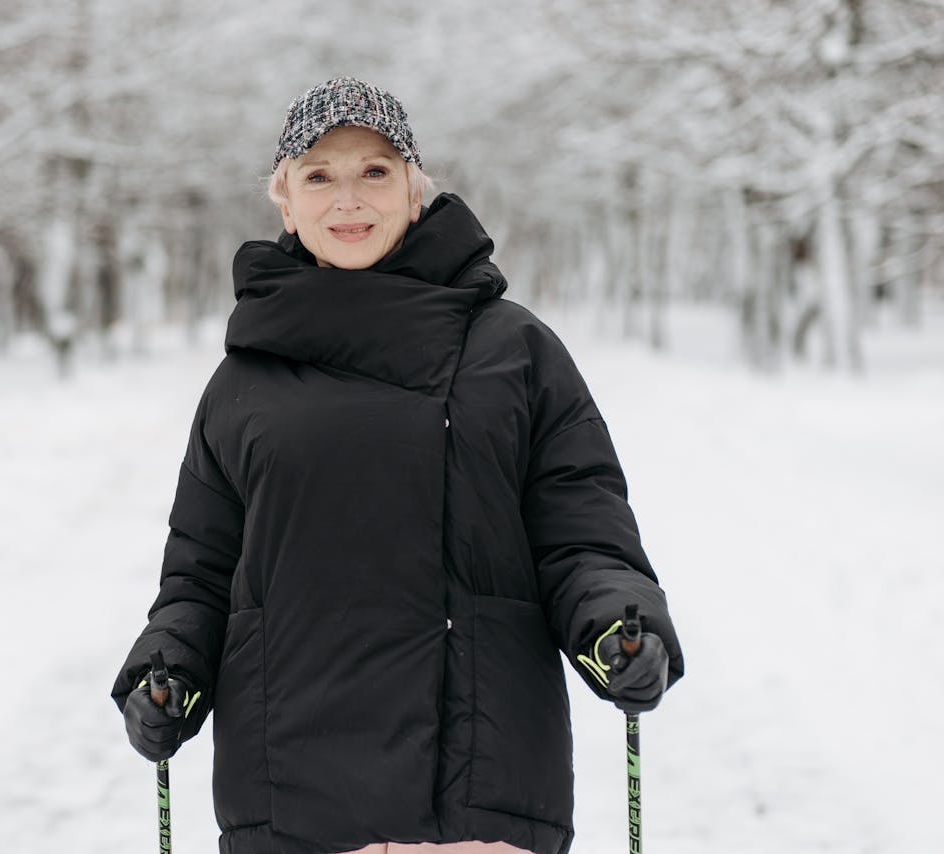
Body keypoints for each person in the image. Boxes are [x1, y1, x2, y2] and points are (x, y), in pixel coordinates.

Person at [112, 77, 683, 854]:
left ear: (416, 191)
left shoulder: (513, 350)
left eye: (374, 171)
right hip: (291, 787)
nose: (348, 199)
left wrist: (618, 619)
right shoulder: (243, 381)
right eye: (319, 176)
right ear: (285, 202)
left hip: (480, 789)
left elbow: (580, 530)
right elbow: (202, 572)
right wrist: (167, 668)